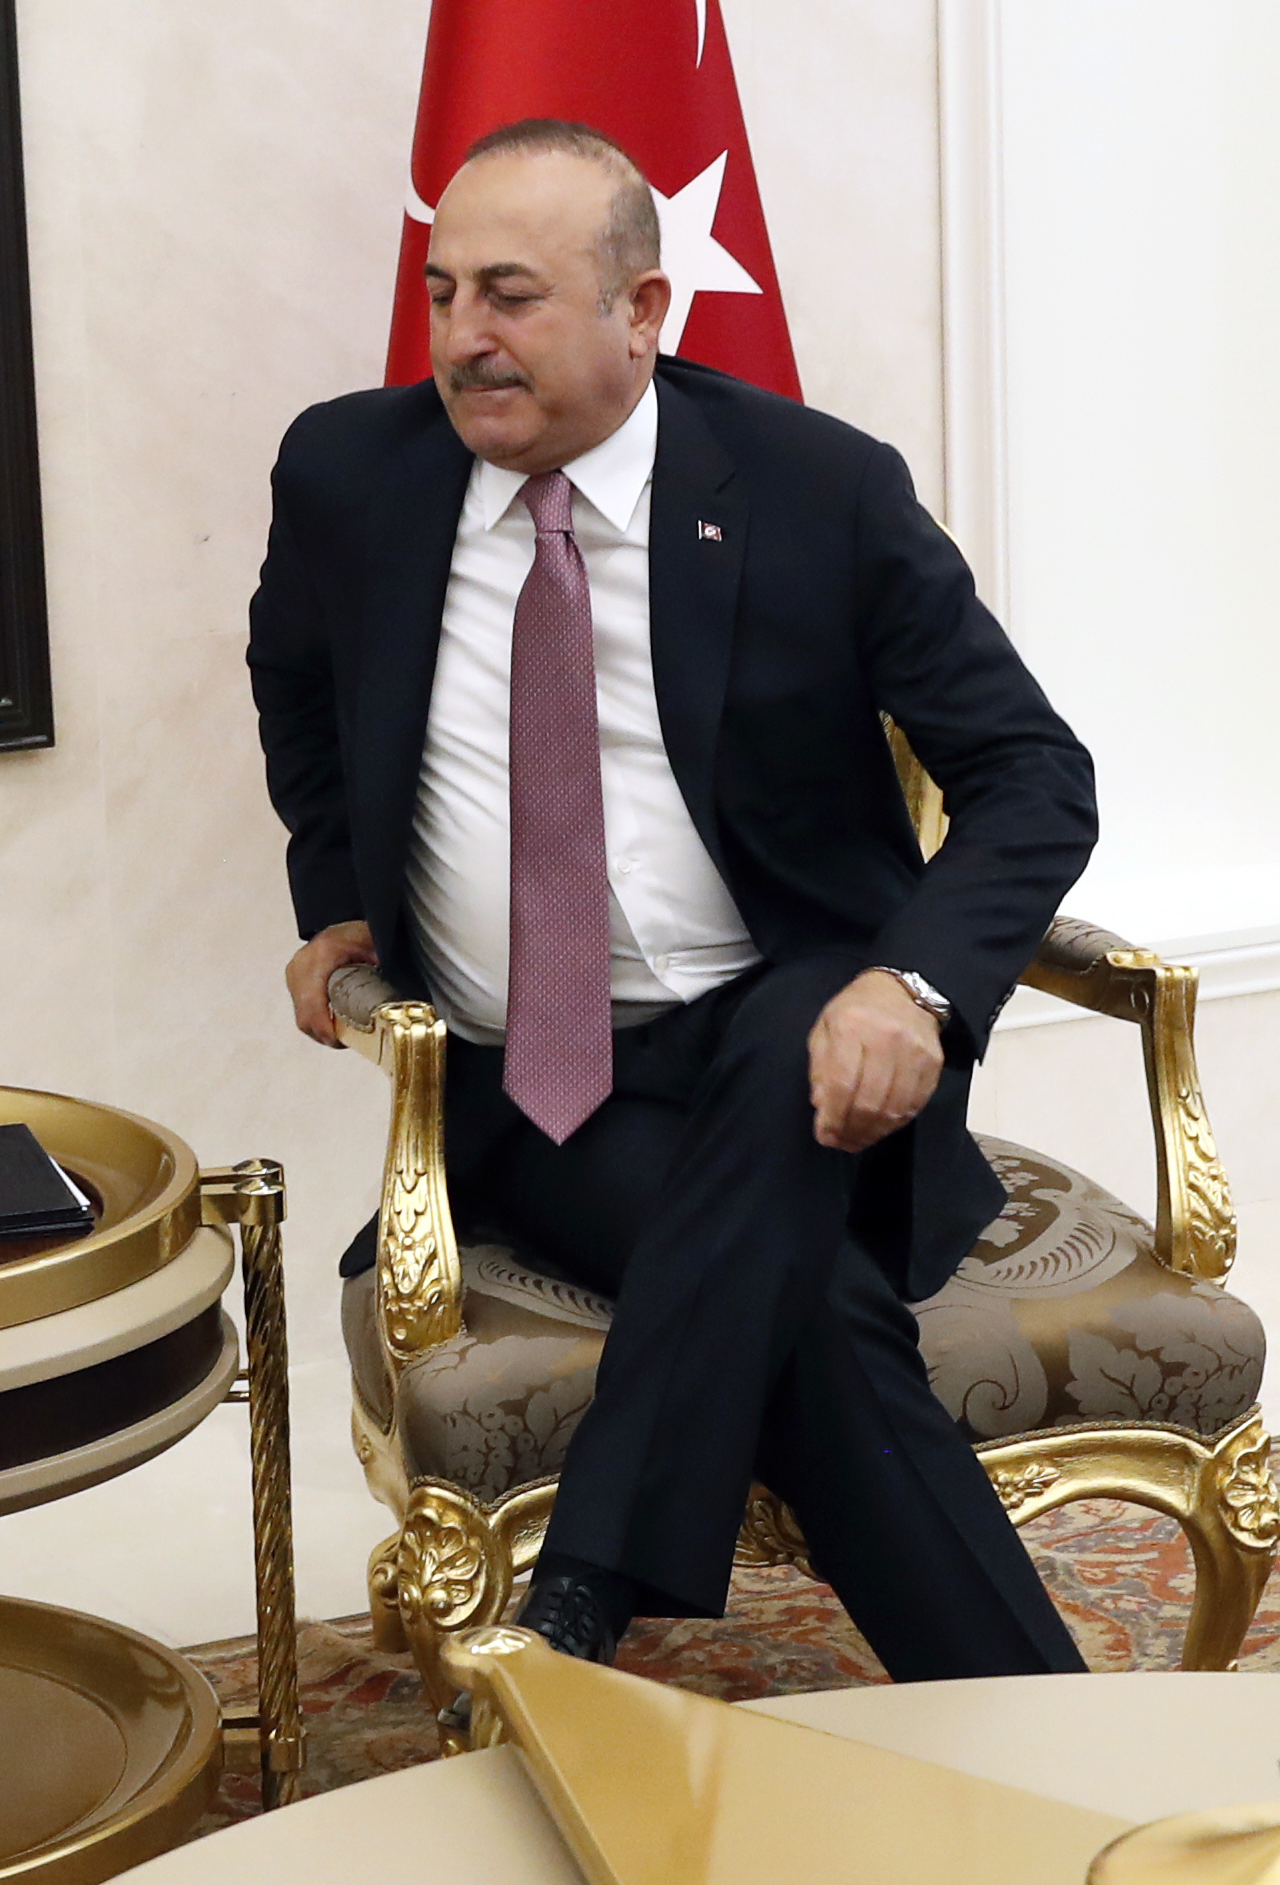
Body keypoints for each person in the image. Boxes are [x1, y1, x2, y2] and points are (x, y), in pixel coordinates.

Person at [250, 120, 1094, 1681]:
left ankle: (581, 1593)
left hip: (798, 1036)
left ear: (642, 310)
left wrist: (909, 989)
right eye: (441, 293)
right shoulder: (350, 475)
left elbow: (1033, 774)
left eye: (509, 296)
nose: (460, 340)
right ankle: (1057, 1757)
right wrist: (335, 890)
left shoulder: (813, 492)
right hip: (542, 1082)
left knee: (788, 1032)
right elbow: (292, 685)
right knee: (817, 1326)